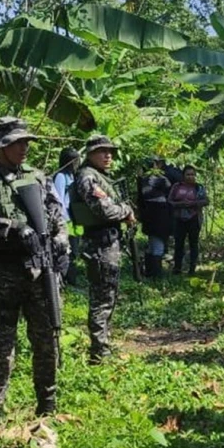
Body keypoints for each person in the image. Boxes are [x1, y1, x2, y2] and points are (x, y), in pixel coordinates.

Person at [0, 117, 68, 417]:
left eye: (26, 142)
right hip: (6, 271)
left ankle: (48, 406)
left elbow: (58, 214)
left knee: (46, 340)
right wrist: (12, 228)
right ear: (1, 146)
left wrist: (60, 239)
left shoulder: (38, 177)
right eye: (17, 143)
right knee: (3, 344)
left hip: (42, 269)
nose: (24, 148)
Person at [70, 135, 135, 364]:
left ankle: (103, 344)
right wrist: (125, 210)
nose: (108, 156)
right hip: (99, 243)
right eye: (101, 152)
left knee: (108, 295)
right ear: (89, 154)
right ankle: (99, 351)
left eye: (110, 152)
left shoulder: (100, 176)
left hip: (107, 242)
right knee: (101, 298)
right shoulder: (88, 177)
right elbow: (103, 211)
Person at [168, 165, 209, 275]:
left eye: (192, 174)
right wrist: (179, 204)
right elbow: (170, 201)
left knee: (193, 243)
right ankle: (177, 268)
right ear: (183, 175)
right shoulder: (177, 186)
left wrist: (194, 204)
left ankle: (192, 268)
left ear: (195, 176)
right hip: (179, 219)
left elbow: (206, 201)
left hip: (194, 218)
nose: (190, 177)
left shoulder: (198, 188)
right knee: (178, 244)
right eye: (188, 174)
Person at [138, 156, 172, 277]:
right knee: (156, 247)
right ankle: (155, 275)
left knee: (154, 246)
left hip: (152, 217)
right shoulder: (159, 180)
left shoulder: (144, 180)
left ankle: (151, 273)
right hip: (158, 217)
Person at [54, 147, 81, 285]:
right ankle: (67, 280)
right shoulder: (60, 176)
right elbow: (58, 200)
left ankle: (72, 278)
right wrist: (63, 221)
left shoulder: (74, 175)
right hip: (66, 219)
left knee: (75, 250)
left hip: (76, 219)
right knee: (67, 250)